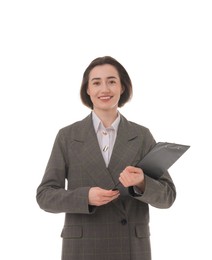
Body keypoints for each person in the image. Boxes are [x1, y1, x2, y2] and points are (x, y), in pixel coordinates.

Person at [36, 56, 176, 260]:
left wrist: (142, 183)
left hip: (129, 246)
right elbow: (45, 196)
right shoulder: (67, 136)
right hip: (83, 248)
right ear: (87, 89)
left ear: (122, 87)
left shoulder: (142, 135)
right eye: (96, 82)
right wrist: (85, 197)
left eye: (112, 81)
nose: (105, 89)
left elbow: (168, 197)